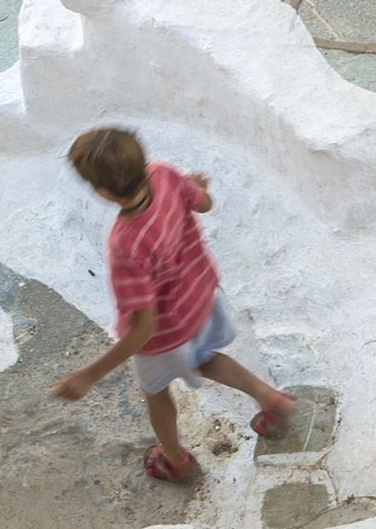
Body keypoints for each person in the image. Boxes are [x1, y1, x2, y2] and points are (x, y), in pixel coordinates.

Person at [48, 127, 293, 480]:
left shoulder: (125, 245)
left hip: (165, 333)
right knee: (204, 357)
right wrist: (198, 187)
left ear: (102, 192)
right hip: (202, 298)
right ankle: (271, 399)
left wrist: (91, 373)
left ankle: (175, 459)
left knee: (156, 392)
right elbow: (204, 203)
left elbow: (143, 325)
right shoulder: (162, 174)